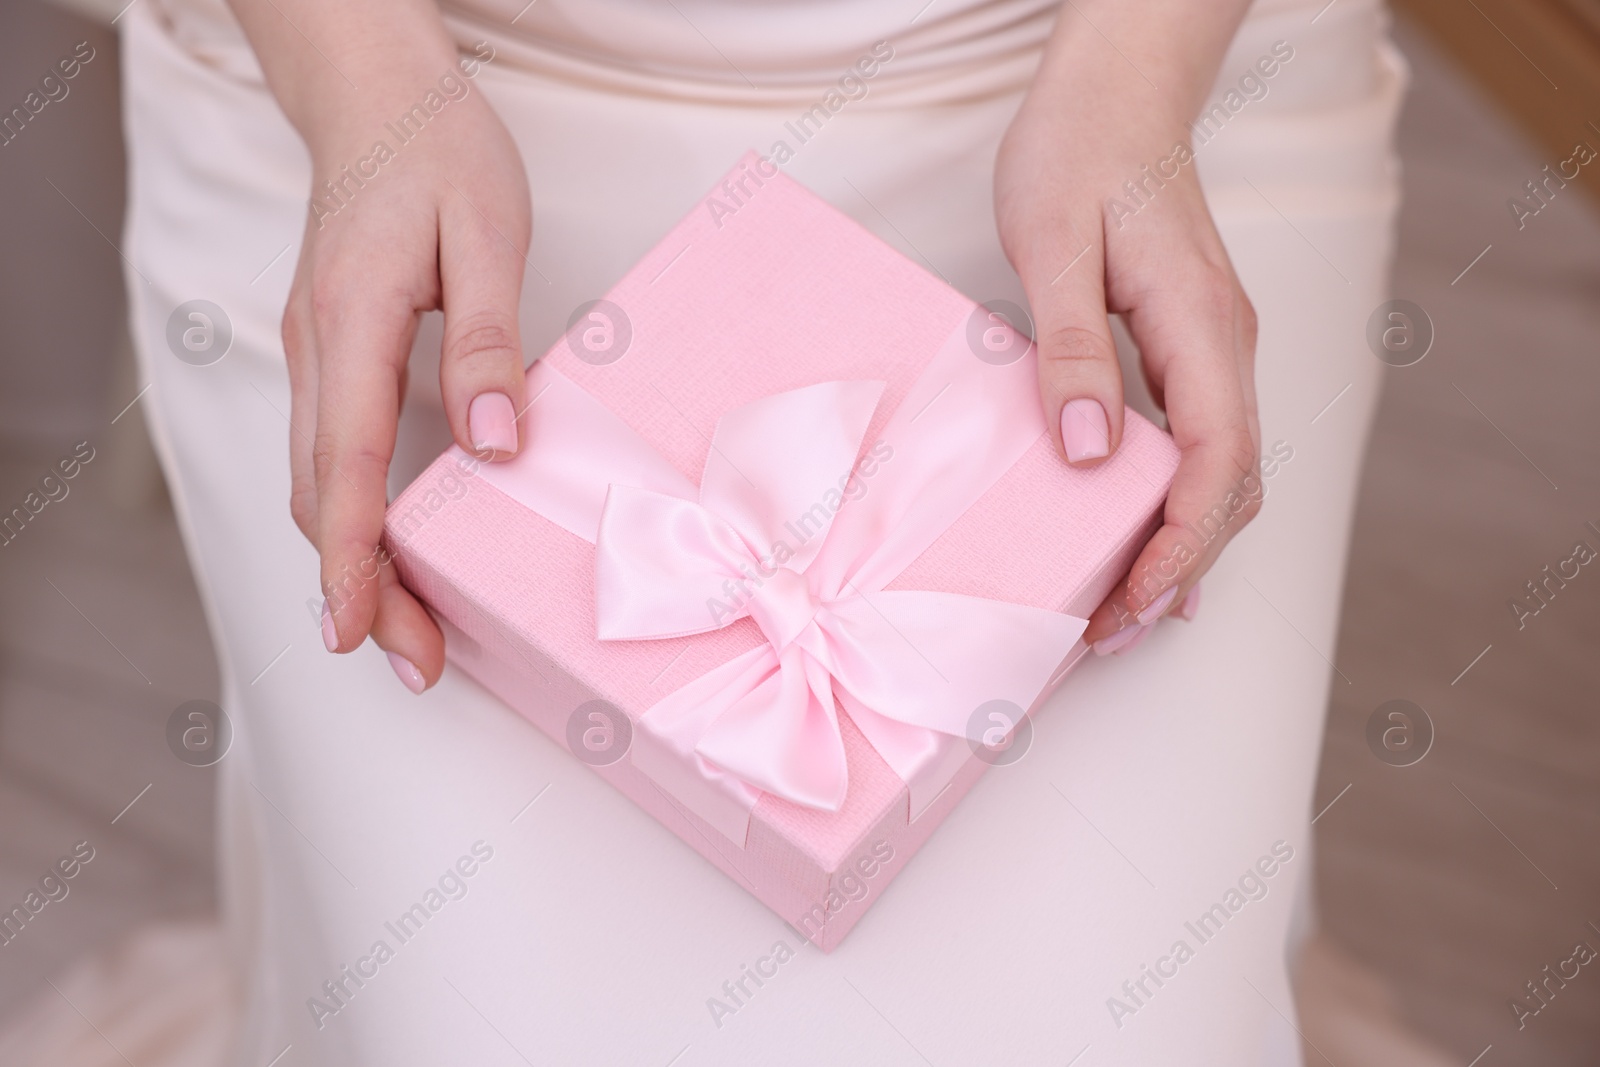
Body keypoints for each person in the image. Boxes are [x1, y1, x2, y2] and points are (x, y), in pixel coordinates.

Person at [121, 0, 1404, 1061]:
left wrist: (1136, 81)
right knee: (470, 1011)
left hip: (1118, 84)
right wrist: (362, 88)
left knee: (1133, 1014)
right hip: (397, 88)